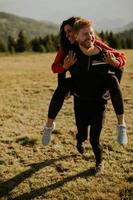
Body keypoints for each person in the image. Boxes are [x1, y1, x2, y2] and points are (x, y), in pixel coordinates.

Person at [42, 17, 127, 148]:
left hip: (95, 84)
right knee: (63, 85)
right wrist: (64, 68)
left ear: (76, 32)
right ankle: (48, 126)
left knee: (113, 79)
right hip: (76, 82)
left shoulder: (95, 43)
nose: (68, 35)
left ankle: (121, 125)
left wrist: (115, 65)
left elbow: (120, 58)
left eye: (70, 31)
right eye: (66, 33)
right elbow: (56, 68)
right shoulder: (66, 48)